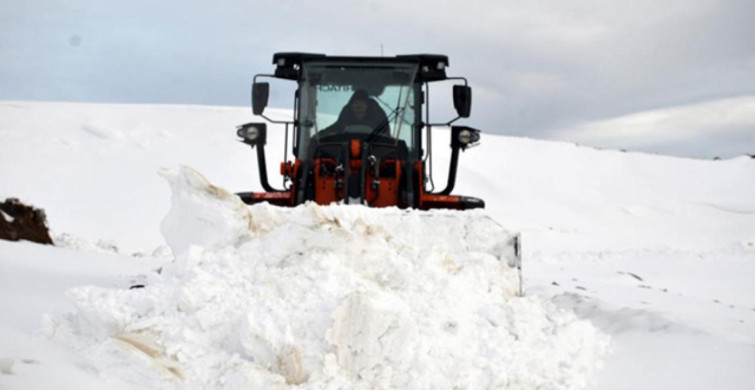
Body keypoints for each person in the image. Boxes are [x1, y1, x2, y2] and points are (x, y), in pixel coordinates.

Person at [320, 89, 390, 137]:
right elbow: (334, 129)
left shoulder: (382, 134)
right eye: (356, 105)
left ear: (368, 107)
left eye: (362, 105)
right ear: (351, 108)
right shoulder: (341, 124)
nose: (359, 109)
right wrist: (318, 136)